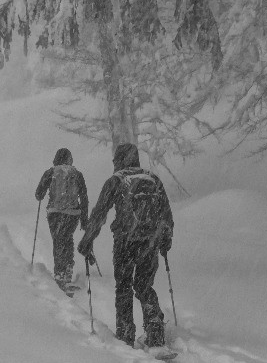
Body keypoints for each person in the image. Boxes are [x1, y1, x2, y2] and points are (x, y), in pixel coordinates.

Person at [77, 143, 173, 348]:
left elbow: (99, 214)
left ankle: (126, 334)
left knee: (124, 286)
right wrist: (165, 241)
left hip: (125, 241)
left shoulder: (116, 181)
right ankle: (155, 333)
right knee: (144, 286)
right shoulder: (153, 179)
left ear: (119, 160)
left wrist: (87, 241)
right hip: (150, 241)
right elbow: (166, 214)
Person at [35, 148, 89, 291]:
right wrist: (84, 219)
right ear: (70, 159)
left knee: (58, 241)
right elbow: (84, 197)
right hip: (72, 214)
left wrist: (43, 194)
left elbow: (38, 194)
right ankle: (68, 271)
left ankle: (60, 274)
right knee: (67, 238)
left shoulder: (50, 172)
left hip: (55, 213)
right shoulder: (77, 174)